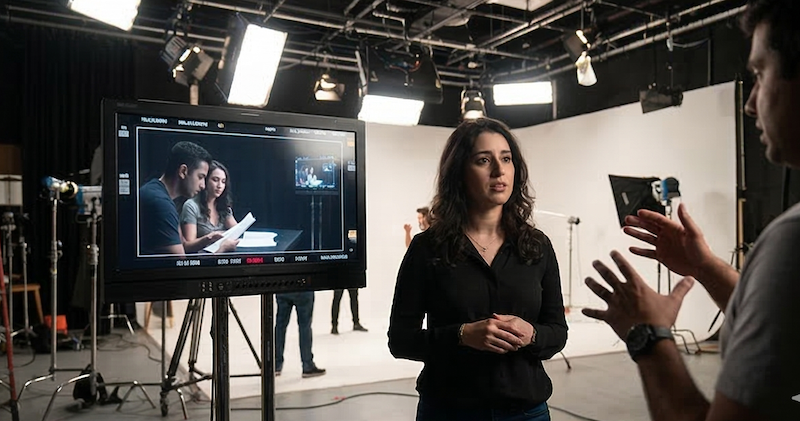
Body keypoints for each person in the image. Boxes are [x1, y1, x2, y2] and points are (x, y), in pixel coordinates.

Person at [582, 2, 800, 419]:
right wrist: (705, 266)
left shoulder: (792, 239)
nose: (750, 104)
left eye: (759, 74)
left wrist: (647, 335)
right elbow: (787, 334)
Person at [388, 118, 567, 421]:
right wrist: (461, 335)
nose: (499, 170)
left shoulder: (538, 247)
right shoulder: (426, 248)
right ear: (459, 172)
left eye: (506, 158)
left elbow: (557, 332)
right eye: (484, 160)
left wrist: (532, 334)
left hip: (527, 412)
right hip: (449, 411)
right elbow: (400, 340)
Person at [139, 141, 211, 255]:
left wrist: (209, 239)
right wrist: (220, 252)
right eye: (200, 177)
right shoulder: (160, 203)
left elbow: (182, 246)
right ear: (183, 171)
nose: (203, 185)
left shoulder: (158, 192)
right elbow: (179, 264)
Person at [180, 160, 239, 253]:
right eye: (215, 180)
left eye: (223, 182)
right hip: (202, 260)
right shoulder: (191, 206)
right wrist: (209, 238)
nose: (220, 186)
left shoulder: (223, 206)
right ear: (206, 180)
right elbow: (188, 246)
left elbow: (237, 230)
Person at [274, 291, 326, 378]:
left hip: (283, 288)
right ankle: (307, 364)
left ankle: (276, 364)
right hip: (303, 288)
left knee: (280, 326)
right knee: (304, 326)